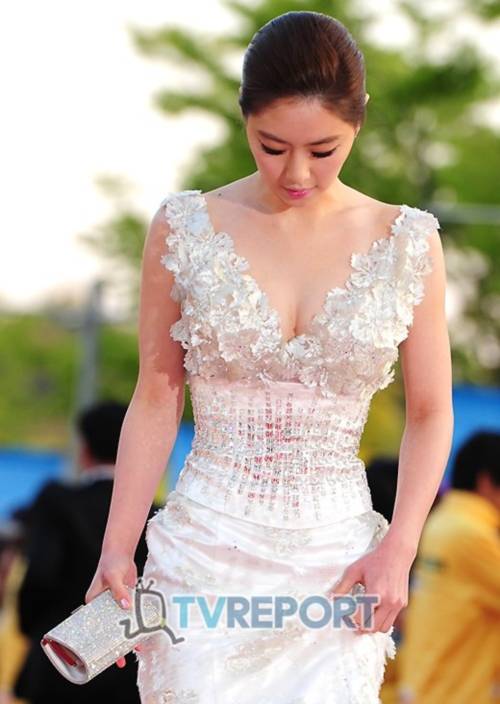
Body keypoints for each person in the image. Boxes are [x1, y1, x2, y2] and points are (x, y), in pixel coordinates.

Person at [84, 10, 453, 703]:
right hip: (202, 556)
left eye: (323, 149)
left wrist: (400, 546)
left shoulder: (408, 241)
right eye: (272, 145)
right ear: (244, 117)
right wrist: (116, 548)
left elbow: (431, 413)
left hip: (339, 566)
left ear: (359, 121)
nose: (296, 172)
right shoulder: (184, 227)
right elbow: (158, 395)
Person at [13, 400, 158, 704]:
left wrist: (31, 627)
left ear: (84, 450)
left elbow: (40, 574)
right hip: (127, 666)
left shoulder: (59, 501)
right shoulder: (157, 515)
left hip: (61, 660)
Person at [398, 431, 500, 703]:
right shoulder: (473, 535)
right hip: (458, 693)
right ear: (486, 482)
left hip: (429, 686)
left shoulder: (444, 521)